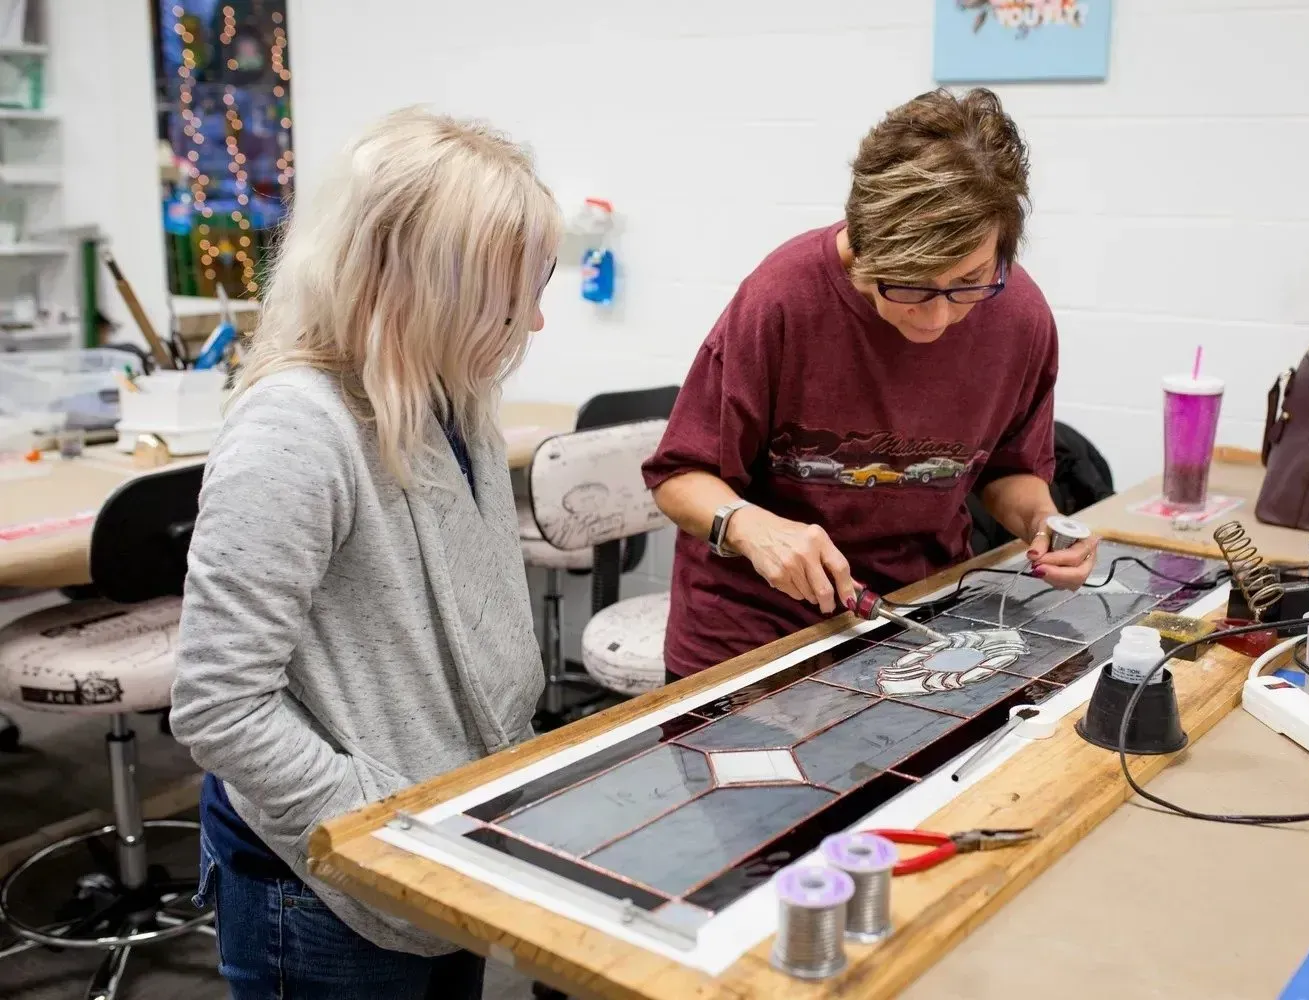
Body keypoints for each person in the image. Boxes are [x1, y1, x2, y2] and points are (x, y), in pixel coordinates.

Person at [170, 107, 559, 999]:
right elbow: (220, 706)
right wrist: (375, 827)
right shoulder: (295, 432)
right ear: (424, 284)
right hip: (328, 880)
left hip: (437, 837)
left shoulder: (447, 398)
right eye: (511, 293)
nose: (534, 322)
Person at [642, 88, 1098, 680]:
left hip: (919, 620)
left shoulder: (1020, 317)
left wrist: (1043, 524)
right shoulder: (783, 299)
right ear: (861, 245)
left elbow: (1007, 471)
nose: (935, 319)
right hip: (752, 638)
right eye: (906, 285)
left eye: (966, 283)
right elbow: (678, 477)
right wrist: (752, 529)